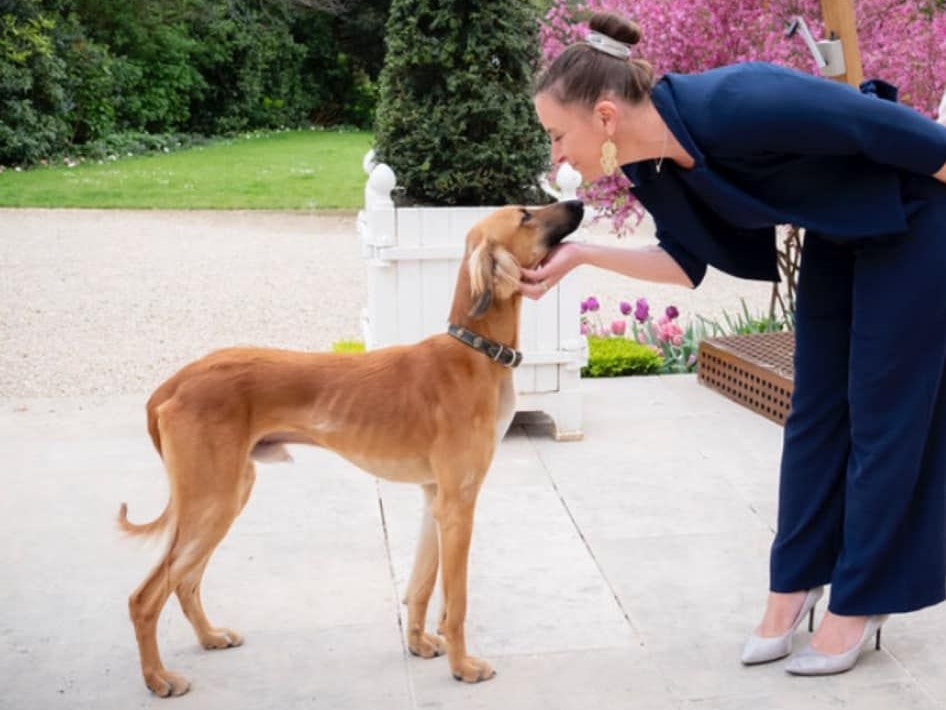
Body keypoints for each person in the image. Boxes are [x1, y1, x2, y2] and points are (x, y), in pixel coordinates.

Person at [523, 11, 946, 676]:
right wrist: (578, 255)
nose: (555, 155)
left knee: (882, 415)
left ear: (604, 116)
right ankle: (794, 584)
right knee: (814, 414)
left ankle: (862, 599)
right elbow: (685, 263)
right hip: (844, 230)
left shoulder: (736, 101)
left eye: (556, 135)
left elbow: (890, 131)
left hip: (921, 216)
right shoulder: (657, 164)